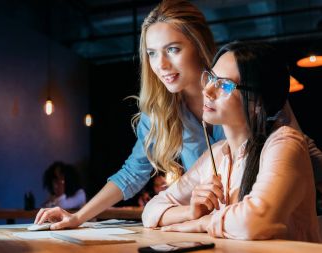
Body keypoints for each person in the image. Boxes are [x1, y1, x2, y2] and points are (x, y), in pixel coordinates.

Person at [34, 0, 322, 230]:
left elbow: (297, 149)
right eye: (152, 53)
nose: (161, 65)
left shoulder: (248, 86)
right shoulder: (159, 112)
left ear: (197, 45)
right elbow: (132, 176)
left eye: (172, 49)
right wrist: (77, 217)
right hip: (224, 234)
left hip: (275, 225)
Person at [142, 41, 321, 243]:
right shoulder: (218, 154)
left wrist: (204, 222)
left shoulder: (284, 143)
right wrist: (190, 213)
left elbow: (253, 222)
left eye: (224, 85)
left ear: (257, 103)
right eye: (211, 78)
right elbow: (150, 211)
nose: (207, 91)